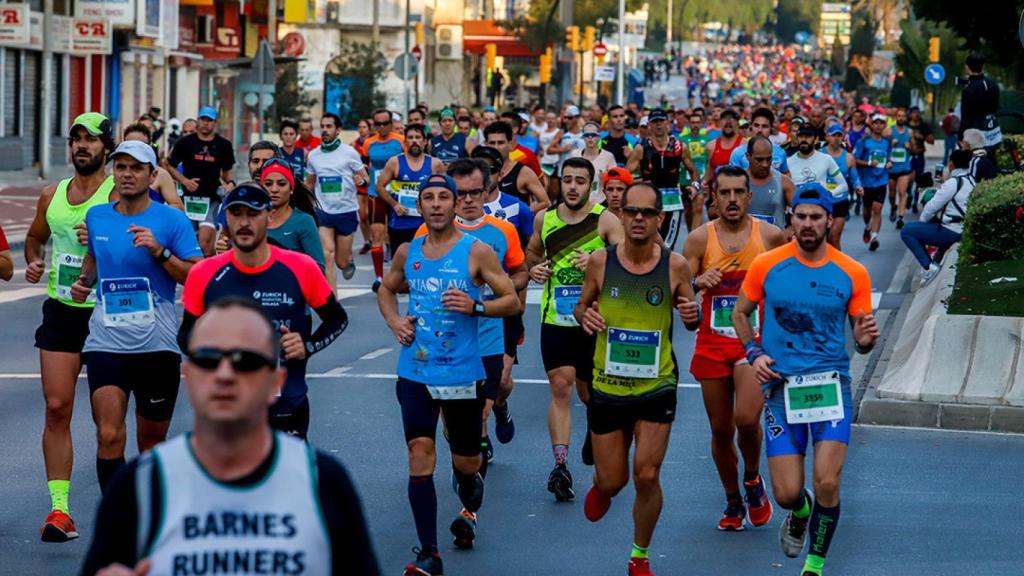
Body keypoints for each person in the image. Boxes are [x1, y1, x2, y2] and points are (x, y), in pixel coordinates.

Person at [79, 297, 381, 575]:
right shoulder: (142, 485)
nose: (224, 374)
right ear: (188, 374)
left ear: (276, 379)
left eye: (245, 361)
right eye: (208, 360)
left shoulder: (321, 481)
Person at [732, 183, 879, 576]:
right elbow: (740, 314)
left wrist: (863, 342)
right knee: (786, 492)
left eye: (817, 217)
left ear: (829, 221)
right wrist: (754, 353)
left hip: (831, 389)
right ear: (791, 220)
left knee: (827, 480)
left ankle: (814, 563)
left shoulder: (852, 272)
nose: (809, 224)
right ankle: (800, 511)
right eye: (802, 216)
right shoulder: (767, 265)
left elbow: (862, 337)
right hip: (781, 390)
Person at [377, 174, 519, 576]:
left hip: (462, 373)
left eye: (444, 197)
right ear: (419, 207)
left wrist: (476, 308)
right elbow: (386, 289)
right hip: (416, 372)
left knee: (467, 464)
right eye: (429, 198)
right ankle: (428, 553)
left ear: (456, 205)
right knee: (419, 452)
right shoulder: (408, 251)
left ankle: (471, 483)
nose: (436, 204)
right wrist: (394, 322)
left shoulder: (476, 252)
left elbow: (510, 300)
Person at [576, 182, 700, 576]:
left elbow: (689, 313)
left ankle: (639, 554)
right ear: (621, 215)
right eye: (632, 212)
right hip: (609, 384)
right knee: (613, 481)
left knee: (646, 473)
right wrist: (586, 316)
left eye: (648, 213)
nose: (640, 219)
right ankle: (603, 486)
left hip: (656, 383)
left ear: (660, 218)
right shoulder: (600, 262)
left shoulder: (675, 265)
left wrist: (691, 315)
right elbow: (582, 305)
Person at [68, 141, 202, 494]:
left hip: (156, 344)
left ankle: (151, 516)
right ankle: (120, 517)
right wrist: (84, 283)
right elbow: (95, 260)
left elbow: (195, 275)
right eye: (121, 167)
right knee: (109, 434)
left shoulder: (172, 220)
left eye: (136, 168)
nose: (127, 174)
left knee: (151, 444)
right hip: (106, 341)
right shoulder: (98, 216)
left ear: (152, 175)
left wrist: (160, 252)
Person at [180, 184, 349, 440]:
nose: (244, 222)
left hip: (285, 402)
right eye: (236, 213)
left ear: (269, 217)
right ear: (225, 218)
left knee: (288, 479)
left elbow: (337, 319)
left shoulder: (299, 267)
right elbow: (185, 336)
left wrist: (307, 345)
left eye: (253, 213)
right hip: (227, 404)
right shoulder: (204, 273)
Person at [24, 112, 117, 542]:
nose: (82, 146)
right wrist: (33, 260)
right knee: (57, 407)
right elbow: (34, 237)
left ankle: (117, 510)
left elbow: (150, 233)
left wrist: (105, 236)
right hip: (62, 309)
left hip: (109, 313)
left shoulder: (121, 192)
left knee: (108, 422)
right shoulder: (52, 194)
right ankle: (59, 510)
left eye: (91, 139)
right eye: (76, 139)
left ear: (107, 148)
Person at [683, 165, 786, 532]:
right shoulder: (698, 239)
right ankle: (732, 500)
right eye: (723, 193)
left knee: (746, 419)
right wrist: (697, 283)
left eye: (737, 192)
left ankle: (753, 479)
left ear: (749, 196)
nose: (730, 199)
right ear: (714, 197)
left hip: (752, 344)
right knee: (721, 429)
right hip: (711, 343)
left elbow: (788, 288)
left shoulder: (771, 236)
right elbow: (682, 300)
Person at [416, 160, 528, 471]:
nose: (467, 200)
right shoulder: (425, 231)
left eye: (474, 192)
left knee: (498, 388)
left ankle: (494, 417)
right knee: (452, 411)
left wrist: (500, 284)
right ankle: (469, 453)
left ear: (487, 191)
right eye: (460, 193)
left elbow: (521, 273)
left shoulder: (503, 231)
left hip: (491, 326)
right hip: (445, 332)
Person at [526, 157, 624, 501]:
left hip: (595, 322)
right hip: (556, 320)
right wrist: (536, 271)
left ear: (591, 185)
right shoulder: (545, 219)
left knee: (589, 394)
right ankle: (560, 464)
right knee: (560, 387)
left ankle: (596, 422)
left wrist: (600, 264)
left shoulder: (606, 221)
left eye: (579, 181)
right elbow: (532, 256)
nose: (572, 187)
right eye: (567, 180)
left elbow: (632, 265)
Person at [306, 112, 371, 289]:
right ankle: (332, 304)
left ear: (338, 130)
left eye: (329, 127)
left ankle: (347, 261)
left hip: (346, 211)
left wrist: (361, 181)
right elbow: (309, 184)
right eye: (322, 126)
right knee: (327, 256)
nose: (324, 130)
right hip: (324, 211)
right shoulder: (313, 155)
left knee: (340, 262)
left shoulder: (349, 153)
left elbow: (366, 178)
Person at [376, 123, 445, 290]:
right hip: (399, 222)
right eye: (411, 138)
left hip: (425, 223)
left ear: (425, 141)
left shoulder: (435, 164)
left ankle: (423, 289)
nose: (414, 141)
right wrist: (394, 205)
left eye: (418, 138)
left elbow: (445, 190)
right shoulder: (395, 162)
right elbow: (379, 186)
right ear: (405, 142)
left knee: (427, 260)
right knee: (401, 264)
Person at [164, 105, 236, 256]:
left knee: (204, 241)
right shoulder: (186, 142)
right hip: (188, 199)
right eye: (203, 119)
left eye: (209, 120)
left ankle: (205, 274)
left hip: (211, 198)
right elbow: (168, 165)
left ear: (215, 123)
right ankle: (196, 272)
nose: (205, 123)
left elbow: (227, 171)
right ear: (198, 121)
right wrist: (184, 181)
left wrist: (230, 183)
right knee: (191, 243)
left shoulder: (224, 145)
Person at [625, 108, 702, 246]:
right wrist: (635, 188)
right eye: (655, 122)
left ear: (668, 123)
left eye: (661, 121)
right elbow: (625, 174)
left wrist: (695, 187)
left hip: (672, 201)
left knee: (668, 245)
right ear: (649, 125)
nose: (658, 125)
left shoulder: (679, 147)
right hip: (648, 201)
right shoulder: (641, 148)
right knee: (649, 243)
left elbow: (694, 171)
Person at [900, 150, 976, 284]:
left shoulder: (953, 183)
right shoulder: (971, 181)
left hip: (952, 230)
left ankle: (928, 267)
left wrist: (923, 224)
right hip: (963, 228)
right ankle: (934, 263)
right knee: (935, 232)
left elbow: (931, 207)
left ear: (951, 164)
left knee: (907, 231)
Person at [362, 108, 407, 287]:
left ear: (391, 124)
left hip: (398, 195)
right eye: (377, 124)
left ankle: (400, 275)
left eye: (385, 123)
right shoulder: (368, 143)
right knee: (377, 234)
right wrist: (363, 178)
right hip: (375, 193)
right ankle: (379, 278)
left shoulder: (400, 141)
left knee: (398, 236)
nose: (381, 127)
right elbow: (364, 167)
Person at [787, 125, 849, 248]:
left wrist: (828, 194)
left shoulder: (826, 159)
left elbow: (843, 185)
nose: (804, 139)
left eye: (808, 136)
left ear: (816, 140)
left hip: (819, 213)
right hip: (797, 214)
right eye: (801, 136)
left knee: (825, 245)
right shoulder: (788, 162)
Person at [261, 160, 326, 273]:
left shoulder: (304, 221)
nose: (274, 189)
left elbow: (318, 269)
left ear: (291, 189)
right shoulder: (251, 220)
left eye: (281, 184)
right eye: (268, 184)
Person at [488, 121, 550, 211]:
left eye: (501, 143)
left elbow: (545, 202)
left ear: (510, 144)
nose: (496, 147)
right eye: (492, 143)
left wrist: (520, 214)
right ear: (486, 144)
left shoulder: (524, 172)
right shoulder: (479, 170)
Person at [853, 113, 893, 252]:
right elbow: (854, 160)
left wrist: (889, 163)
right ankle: (868, 226)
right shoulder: (864, 141)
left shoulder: (887, 142)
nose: (878, 125)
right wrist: (869, 163)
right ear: (872, 124)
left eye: (881, 123)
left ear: (884, 126)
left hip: (881, 180)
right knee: (867, 211)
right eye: (876, 122)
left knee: (878, 209)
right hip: (866, 182)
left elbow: (889, 158)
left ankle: (874, 237)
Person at [121, 123, 184, 211]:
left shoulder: (160, 174)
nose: (135, 149)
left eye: (141, 145)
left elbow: (178, 207)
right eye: (130, 145)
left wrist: (151, 213)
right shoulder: (116, 173)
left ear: (149, 147)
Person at [822, 124, 862, 250]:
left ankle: (839, 266)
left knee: (834, 237)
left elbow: (854, 177)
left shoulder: (848, 157)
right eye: (834, 136)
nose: (836, 139)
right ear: (827, 137)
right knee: (824, 238)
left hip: (840, 200)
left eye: (839, 136)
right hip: (823, 200)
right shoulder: (819, 155)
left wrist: (858, 186)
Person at [745, 136, 795, 228]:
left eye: (768, 159)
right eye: (759, 160)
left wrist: (791, 228)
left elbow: (803, 210)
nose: (765, 164)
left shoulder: (783, 182)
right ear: (748, 156)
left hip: (775, 241)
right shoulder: (738, 181)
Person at [728, 108, 791, 176]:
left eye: (764, 126)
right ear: (751, 126)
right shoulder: (738, 153)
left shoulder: (780, 152)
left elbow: (786, 174)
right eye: (756, 125)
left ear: (771, 128)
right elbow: (732, 179)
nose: (760, 130)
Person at [959, 52, 1000, 148]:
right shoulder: (993, 84)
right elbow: (996, 107)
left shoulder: (969, 90)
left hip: (976, 136)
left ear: (967, 67)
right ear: (983, 66)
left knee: (976, 161)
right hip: (993, 132)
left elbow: (966, 117)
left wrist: (961, 137)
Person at [571, 121, 618, 204]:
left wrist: (605, 179)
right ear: (583, 137)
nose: (590, 138)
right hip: (580, 201)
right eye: (586, 135)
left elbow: (615, 181)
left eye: (593, 135)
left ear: (599, 137)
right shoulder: (575, 155)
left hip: (601, 202)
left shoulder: (608, 156)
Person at [701, 109, 744, 192]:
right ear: (720, 123)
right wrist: (704, 182)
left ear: (737, 123)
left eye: (732, 118)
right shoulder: (711, 146)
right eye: (725, 118)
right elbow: (710, 168)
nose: (728, 122)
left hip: (738, 196)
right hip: (717, 197)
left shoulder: (745, 145)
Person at [886, 108, 913, 229]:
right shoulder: (889, 131)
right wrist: (890, 142)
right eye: (899, 116)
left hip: (904, 167)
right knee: (892, 194)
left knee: (902, 192)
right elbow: (882, 147)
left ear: (906, 118)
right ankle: (893, 206)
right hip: (892, 167)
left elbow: (913, 149)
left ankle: (901, 218)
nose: (901, 118)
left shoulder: (909, 132)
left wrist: (909, 147)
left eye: (903, 116)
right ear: (895, 117)